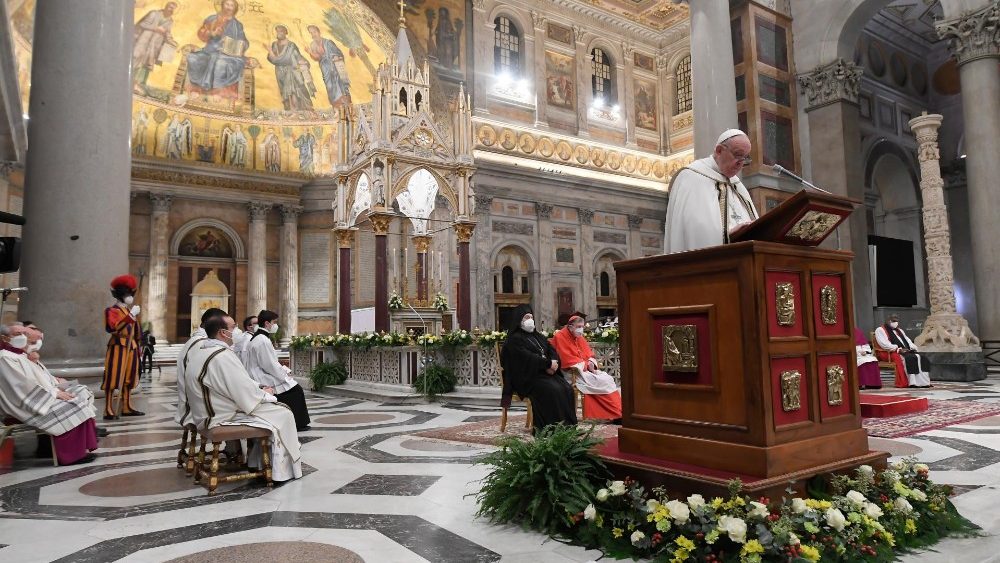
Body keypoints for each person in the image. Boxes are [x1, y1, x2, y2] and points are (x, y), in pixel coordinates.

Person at [184, 316, 302, 483]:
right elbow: (242, 392)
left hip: (206, 412)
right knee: (284, 413)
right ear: (223, 333)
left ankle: (257, 462)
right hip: (220, 416)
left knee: (272, 411)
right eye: (234, 327)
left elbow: (235, 383)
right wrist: (265, 393)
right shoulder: (223, 356)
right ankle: (279, 472)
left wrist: (257, 388)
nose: (238, 331)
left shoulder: (201, 352)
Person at [0, 324, 99, 465]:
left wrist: (56, 387)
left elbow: (38, 378)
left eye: (24, 333)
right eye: (17, 334)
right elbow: (23, 386)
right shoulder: (5, 358)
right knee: (74, 404)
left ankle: (80, 449)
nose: (23, 337)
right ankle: (71, 456)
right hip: (24, 405)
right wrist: (54, 393)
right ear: (5, 338)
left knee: (80, 394)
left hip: (37, 398)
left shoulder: (20, 355)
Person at [663, 129, 758, 254]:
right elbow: (691, 232)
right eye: (737, 155)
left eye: (745, 158)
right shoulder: (691, 177)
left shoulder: (737, 185)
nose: (740, 164)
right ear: (719, 150)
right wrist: (727, 234)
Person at [500, 304, 577, 432]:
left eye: (531, 317)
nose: (530, 320)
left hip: (544, 374)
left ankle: (567, 426)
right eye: (526, 317)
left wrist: (553, 363)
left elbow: (552, 350)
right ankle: (549, 428)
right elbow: (526, 357)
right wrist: (547, 364)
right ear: (518, 320)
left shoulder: (538, 337)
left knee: (566, 388)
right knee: (552, 390)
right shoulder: (514, 340)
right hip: (527, 377)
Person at [244, 310, 311, 430]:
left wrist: (283, 371)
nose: (276, 325)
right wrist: (284, 376)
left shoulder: (259, 337)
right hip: (262, 376)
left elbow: (270, 362)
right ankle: (297, 424)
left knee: (294, 389)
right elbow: (269, 365)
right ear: (267, 323)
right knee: (296, 390)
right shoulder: (262, 340)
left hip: (261, 373)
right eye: (274, 322)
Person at [551, 313, 622, 422]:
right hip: (570, 372)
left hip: (583, 370)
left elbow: (589, 354)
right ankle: (613, 414)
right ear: (570, 327)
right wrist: (585, 365)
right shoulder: (560, 336)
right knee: (600, 382)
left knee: (607, 379)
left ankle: (617, 412)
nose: (581, 329)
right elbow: (565, 359)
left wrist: (591, 362)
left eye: (582, 327)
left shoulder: (579, 336)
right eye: (578, 327)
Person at [185, 0, 247, 100]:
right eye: (227, 4)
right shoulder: (212, 19)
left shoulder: (237, 25)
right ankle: (196, 89)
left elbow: (244, 42)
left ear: (234, 9)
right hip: (209, 51)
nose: (229, 7)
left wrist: (237, 45)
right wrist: (212, 33)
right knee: (194, 59)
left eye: (231, 5)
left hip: (229, 55)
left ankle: (218, 91)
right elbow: (201, 33)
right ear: (222, 5)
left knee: (220, 62)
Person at [175, 307, 227, 426]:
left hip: (193, 400)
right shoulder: (202, 344)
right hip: (195, 408)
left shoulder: (196, 340)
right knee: (245, 405)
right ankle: (237, 443)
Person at [103, 275, 144, 420]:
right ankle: (108, 409)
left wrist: (139, 344)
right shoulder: (112, 311)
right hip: (118, 347)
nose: (129, 297)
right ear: (120, 295)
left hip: (131, 347)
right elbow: (113, 328)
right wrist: (130, 316)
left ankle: (126, 407)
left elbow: (136, 331)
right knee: (113, 377)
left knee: (129, 378)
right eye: (127, 294)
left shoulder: (129, 311)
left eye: (130, 294)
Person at [264, 25, 315, 111]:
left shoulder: (291, 45)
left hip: (291, 71)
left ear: (286, 33)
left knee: (294, 91)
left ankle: (298, 110)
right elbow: (271, 59)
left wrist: (304, 62)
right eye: (277, 31)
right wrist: (270, 53)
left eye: (281, 31)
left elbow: (296, 56)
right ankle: (289, 110)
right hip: (280, 72)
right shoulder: (274, 45)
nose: (279, 33)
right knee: (285, 93)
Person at [132, 2, 177, 94]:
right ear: (165, 6)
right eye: (169, 7)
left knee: (147, 62)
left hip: (155, 44)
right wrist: (156, 28)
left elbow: (167, 33)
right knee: (136, 58)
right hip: (144, 39)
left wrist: (172, 42)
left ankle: (138, 84)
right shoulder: (154, 13)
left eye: (173, 9)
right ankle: (128, 80)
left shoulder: (170, 21)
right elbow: (142, 24)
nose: (170, 10)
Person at [874, 315, 931, 388]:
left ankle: (923, 382)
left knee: (921, 357)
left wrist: (912, 347)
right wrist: (897, 349)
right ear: (888, 321)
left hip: (904, 350)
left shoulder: (899, 330)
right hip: (888, 352)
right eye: (893, 321)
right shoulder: (880, 330)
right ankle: (911, 382)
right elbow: (884, 344)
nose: (895, 323)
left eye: (896, 321)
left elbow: (907, 340)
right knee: (908, 358)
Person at [306, 25, 351, 108]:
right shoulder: (312, 45)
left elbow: (338, 53)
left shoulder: (328, 42)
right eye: (311, 33)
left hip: (335, 68)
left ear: (318, 32)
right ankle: (336, 108)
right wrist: (310, 52)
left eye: (314, 32)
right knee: (330, 87)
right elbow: (317, 58)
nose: (313, 34)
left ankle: (346, 106)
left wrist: (335, 56)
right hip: (325, 68)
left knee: (339, 86)